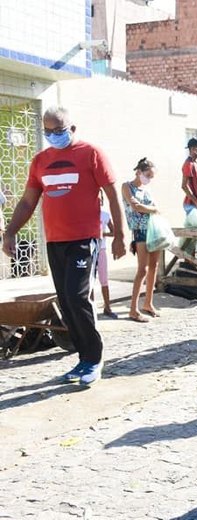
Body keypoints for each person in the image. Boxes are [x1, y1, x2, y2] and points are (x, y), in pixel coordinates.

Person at [1, 106, 126, 385]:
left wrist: (119, 233)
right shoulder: (40, 161)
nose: (54, 135)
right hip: (55, 241)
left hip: (84, 240)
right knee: (66, 301)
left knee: (77, 296)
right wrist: (9, 232)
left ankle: (94, 358)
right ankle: (83, 359)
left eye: (59, 130)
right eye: (48, 131)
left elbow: (112, 194)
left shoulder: (91, 153)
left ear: (72, 128)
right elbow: (27, 202)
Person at [122, 158, 162, 323]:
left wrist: (152, 209)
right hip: (140, 231)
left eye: (151, 176)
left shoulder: (147, 190)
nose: (149, 178)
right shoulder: (127, 186)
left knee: (154, 266)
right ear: (139, 172)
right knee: (142, 269)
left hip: (152, 229)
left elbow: (151, 208)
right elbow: (135, 206)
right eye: (147, 175)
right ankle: (133, 309)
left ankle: (148, 303)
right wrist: (153, 209)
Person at [96, 192, 118, 319]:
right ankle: (91, 307)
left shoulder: (105, 215)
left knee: (104, 279)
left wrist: (103, 234)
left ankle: (107, 306)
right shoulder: (86, 213)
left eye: (100, 199)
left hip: (101, 249)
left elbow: (114, 231)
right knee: (88, 281)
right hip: (89, 249)